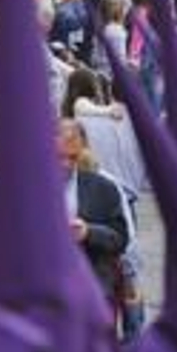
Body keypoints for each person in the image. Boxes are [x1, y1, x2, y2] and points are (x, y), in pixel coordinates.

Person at [56, 117, 130, 304]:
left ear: (82, 150)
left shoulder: (103, 187)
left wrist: (89, 232)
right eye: (59, 157)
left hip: (91, 292)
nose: (66, 164)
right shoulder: (28, 188)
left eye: (72, 157)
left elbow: (121, 238)